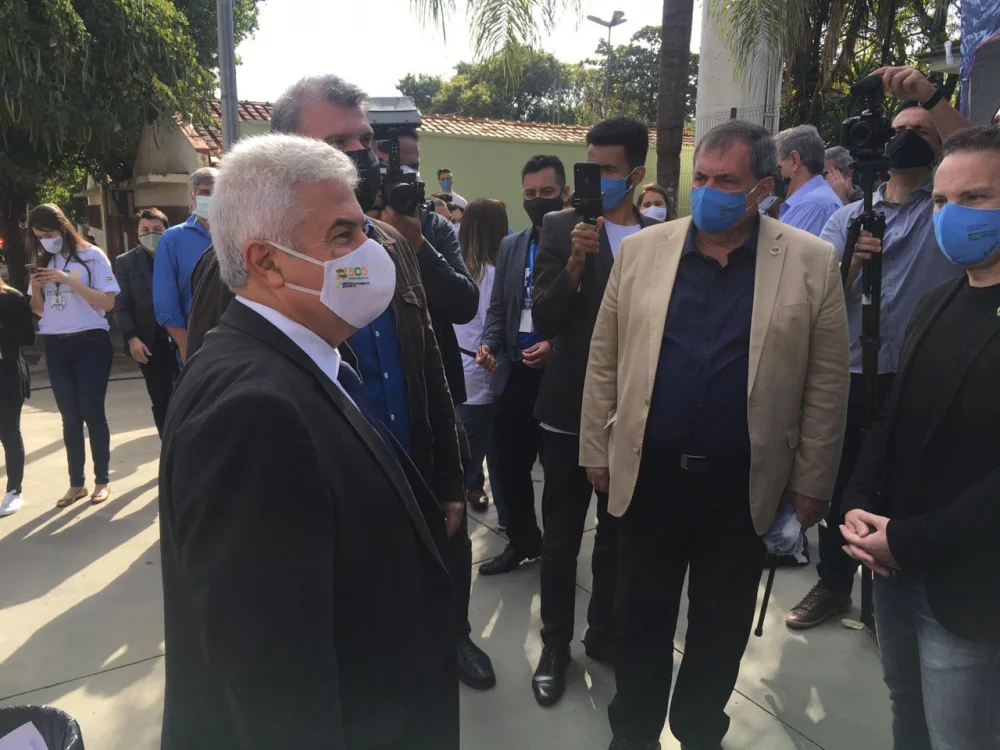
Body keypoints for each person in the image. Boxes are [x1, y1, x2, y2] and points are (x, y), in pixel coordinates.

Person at [158, 133, 458, 750]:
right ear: (267, 262)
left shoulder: (297, 362)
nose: (370, 253)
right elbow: (278, 687)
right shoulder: (253, 413)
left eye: (364, 230)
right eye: (343, 236)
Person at [580, 120, 850, 750]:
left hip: (742, 486)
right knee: (638, 620)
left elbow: (826, 382)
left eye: (726, 181)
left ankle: (700, 731)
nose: (708, 192)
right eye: (700, 178)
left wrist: (813, 482)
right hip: (649, 477)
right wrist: (596, 446)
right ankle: (633, 735)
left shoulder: (811, 262)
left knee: (720, 627)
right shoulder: (643, 251)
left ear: (763, 187)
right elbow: (605, 357)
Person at [270, 73, 493, 691]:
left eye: (364, 141)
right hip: (338, 487)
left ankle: (454, 637)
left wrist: (448, 475)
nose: (358, 155)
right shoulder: (250, 260)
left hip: (417, 459)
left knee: (441, 572)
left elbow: (433, 357)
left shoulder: (397, 240)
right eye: (335, 143)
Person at [786, 65, 969, 630]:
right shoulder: (845, 218)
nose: (907, 138)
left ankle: (892, 589)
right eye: (899, 129)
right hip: (850, 369)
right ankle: (834, 584)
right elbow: (812, 299)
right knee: (842, 479)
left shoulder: (949, 212)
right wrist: (851, 262)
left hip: (918, 373)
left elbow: (978, 151)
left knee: (908, 479)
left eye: (922, 131)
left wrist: (929, 98)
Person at [840, 125, 1000, 750]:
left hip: (968, 586)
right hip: (894, 567)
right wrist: (857, 501)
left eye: (976, 198)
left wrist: (909, 541)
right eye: (939, 201)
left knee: (961, 735)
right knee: (905, 705)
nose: (951, 215)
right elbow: (893, 417)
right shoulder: (937, 302)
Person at [528, 116, 662, 707]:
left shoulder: (662, 236)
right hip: (568, 407)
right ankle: (554, 644)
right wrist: (576, 265)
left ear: (635, 174)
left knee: (617, 534)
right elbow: (546, 318)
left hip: (634, 412)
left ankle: (603, 630)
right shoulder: (561, 227)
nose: (597, 179)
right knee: (560, 540)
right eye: (590, 168)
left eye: (608, 170)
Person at [477, 154, 569, 577]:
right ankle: (523, 539)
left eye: (546, 192)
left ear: (565, 193)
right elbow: (499, 307)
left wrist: (557, 345)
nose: (537, 200)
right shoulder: (512, 246)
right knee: (508, 464)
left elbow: (595, 314)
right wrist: (490, 343)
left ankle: (557, 548)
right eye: (530, 193)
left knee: (558, 472)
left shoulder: (583, 242)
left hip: (560, 376)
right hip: (515, 371)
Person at [27, 204, 120, 508]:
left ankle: (102, 480)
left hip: (90, 341)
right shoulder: (43, 259)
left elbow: (107, 303)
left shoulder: (92, 256)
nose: (46, 240)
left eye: (49, 233)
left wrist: (69, 280)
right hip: (56, 343)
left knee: (92, 410)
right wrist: (37, 288)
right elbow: (39, 310)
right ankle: (76, 483)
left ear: (63, 227)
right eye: (40, 236)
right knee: (69, 416)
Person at [454, 199, 507, 521]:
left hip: (462, 372)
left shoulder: (457, 271)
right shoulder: (493, 275)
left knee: (467, 447)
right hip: (483, 372)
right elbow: (495, 325)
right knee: (485, 452)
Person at [113, 208, 179, 436]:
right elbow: (121, 305)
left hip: (182, 336)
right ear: (137, 233)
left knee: (189, 395)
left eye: (157, 229)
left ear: (167, 231)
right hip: (150, 342)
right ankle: (168, 445)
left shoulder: (177, 255)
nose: (151, 234)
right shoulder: (125, 263)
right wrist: (132, 338)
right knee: (161, 398)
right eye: (145, 230)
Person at [153, 166, 216, 363]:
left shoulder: (240, 234)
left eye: (218, 191)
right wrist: (185, 345)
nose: (212, 197)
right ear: (192, 196)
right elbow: (165, 301)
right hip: (196, 338)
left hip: (239, 337)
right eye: (205, 192)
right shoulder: (173, 239)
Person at [0, 277, 34, 516]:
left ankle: (14, 490)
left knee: (9, 433)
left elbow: (28, 337)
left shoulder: (12, 298)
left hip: (8, 375)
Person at [774, 124, 844, 236]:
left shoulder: (813, 204)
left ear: (794, 160)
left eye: (777, 160)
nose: (775, 168)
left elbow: (781, 245)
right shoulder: (813, 200)